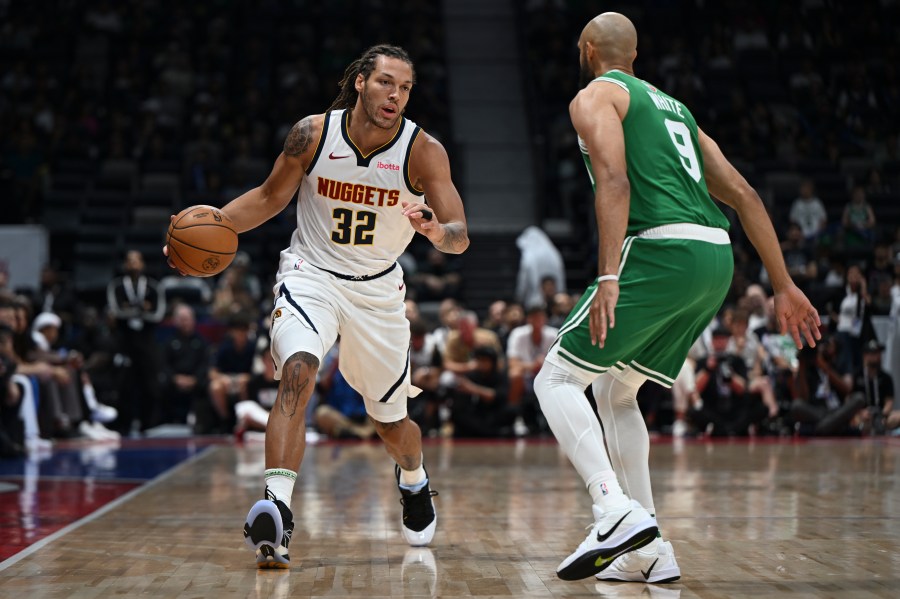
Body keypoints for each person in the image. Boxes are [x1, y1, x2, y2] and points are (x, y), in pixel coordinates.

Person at [532, 13, 820, 583]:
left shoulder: (595, 95)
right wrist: (783, 283)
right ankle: (650, 550)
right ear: (634, 55)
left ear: (588, 50)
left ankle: (611, 509)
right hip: (715, 256)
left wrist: (609, 274)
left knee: (555, 379)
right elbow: (743, 193)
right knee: (617, 391)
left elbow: (614, 180)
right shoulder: (677, 110)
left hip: (660, 249)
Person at [166, 45, 468, 568]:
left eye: (405, 87)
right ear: (360, 83)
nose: (395, 95)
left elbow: (461, 236)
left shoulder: (424, 151)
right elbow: (267, 198)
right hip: (312, 275)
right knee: (297, 373)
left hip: (377, 291)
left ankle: (414, 480)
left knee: (392, 425)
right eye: (385, 83)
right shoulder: (312, 133)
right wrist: (207, 227)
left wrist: (437, 231)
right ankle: (277, 511)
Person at [107, 250, 166, 435]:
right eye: (129, 260)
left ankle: (147, 424)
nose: (133, 264)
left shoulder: (154, 286)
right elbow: (116, 312)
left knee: (149, 383)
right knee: (124, 383)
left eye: (136, 260)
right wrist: (141, 308)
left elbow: (158, 314)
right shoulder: (116, 286)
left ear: (143, 264)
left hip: (147, 341)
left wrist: (131, 308)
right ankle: (124, 424)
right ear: (124, 265)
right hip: (125, 341)